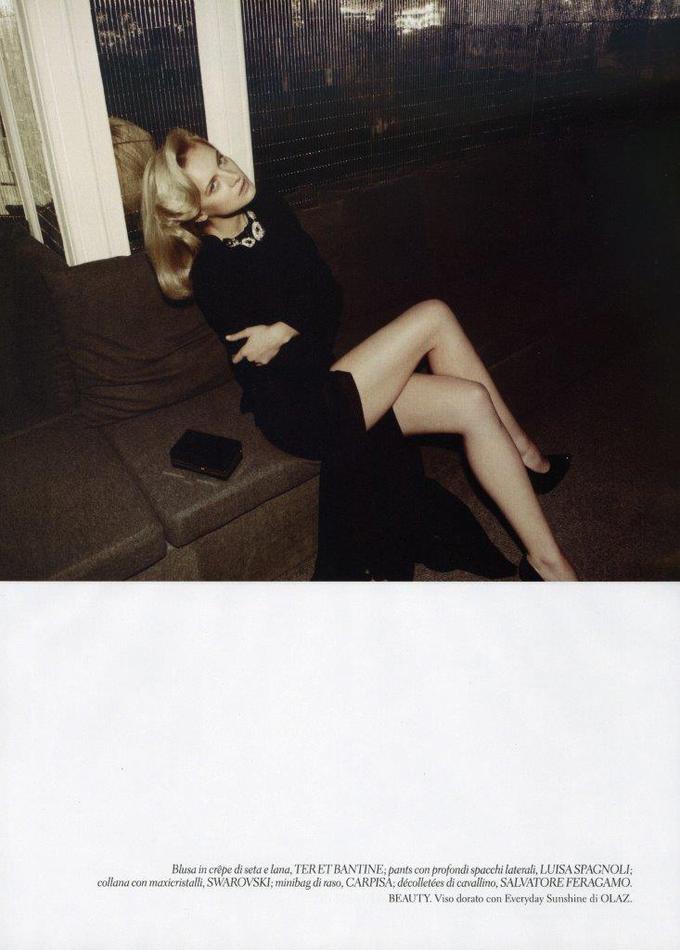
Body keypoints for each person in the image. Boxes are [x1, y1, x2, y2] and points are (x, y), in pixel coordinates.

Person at [141, 128, 577, 581]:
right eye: (214, 184)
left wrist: (285, 327)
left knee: (472, 401)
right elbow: (291, 356)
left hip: (332, 376)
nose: (233, 175)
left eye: (222, 159)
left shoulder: (268, 207)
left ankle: (545, 561)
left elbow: (329, 294)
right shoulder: (213, 272)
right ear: (196, 212)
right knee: (434, 315)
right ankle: (528, 458)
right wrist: (302, 322)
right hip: (299, 408)